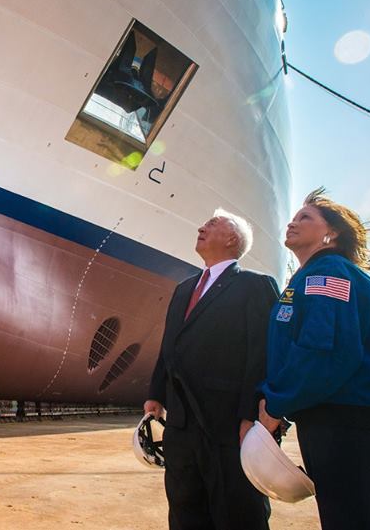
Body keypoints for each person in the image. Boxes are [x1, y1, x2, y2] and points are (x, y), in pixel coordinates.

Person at [258, 188, 370, 530]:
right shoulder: (312, 275)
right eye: (293, 217)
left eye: (305, 217)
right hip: (334, 416)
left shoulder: (328, 274)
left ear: (331, 233)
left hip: (344, 421)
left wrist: (276, 405)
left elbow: (324, 352)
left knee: (349, 521)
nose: (292, 223)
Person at [144, 209, 279, 530]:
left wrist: (251, 414)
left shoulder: (255, 286)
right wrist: (156, 393)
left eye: (213, 224)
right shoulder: (183, 289)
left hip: (229, 424)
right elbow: (170, 346)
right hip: (181, 424)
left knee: (238, 512)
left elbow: (263, 353)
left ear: (232, 239)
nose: (201, 227)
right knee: (184, 509)